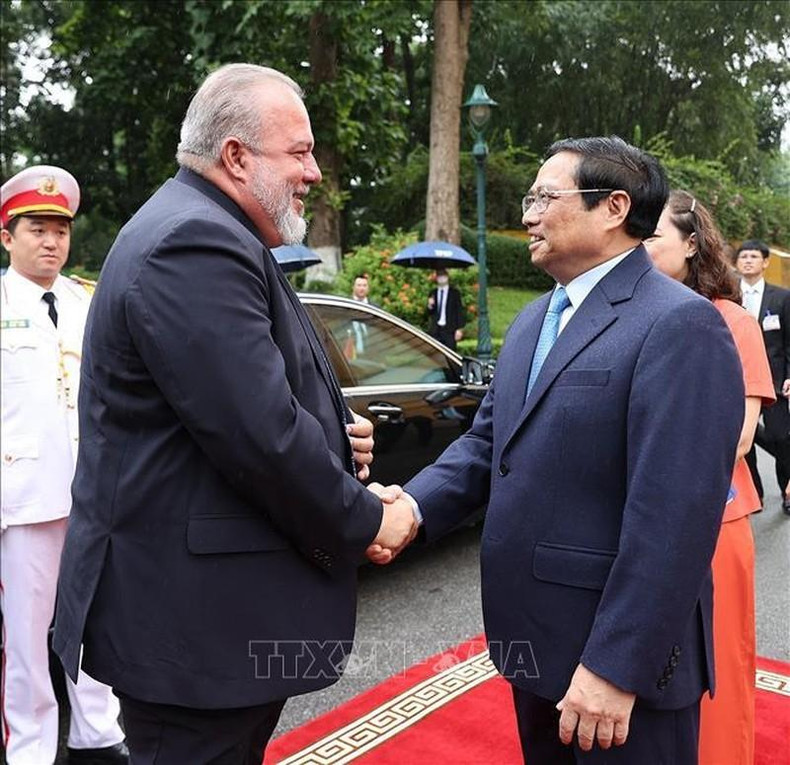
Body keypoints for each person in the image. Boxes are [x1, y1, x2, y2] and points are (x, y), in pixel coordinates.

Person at [52, 64, 417, 763]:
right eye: (299, 152)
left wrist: (339, 443)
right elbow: (263, 438)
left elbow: (227, 409)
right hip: (194, 632)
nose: (313, 172)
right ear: (236, 156)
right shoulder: (194, 243)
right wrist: (371, 517)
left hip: (202, 626)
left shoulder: (207, 229)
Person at [369, 136, 744, 763]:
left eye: (546, 196)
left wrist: (615, 667)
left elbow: (674, 519)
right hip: (536, 646)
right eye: (529, 197)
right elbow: (490, 444)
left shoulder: (679, 324)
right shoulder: (534, 319)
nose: (528, 213)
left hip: (615, 669)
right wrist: (410, 508)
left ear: (615, 207)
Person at [0, 166, 128, 764]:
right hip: (21, 502)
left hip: (91, 499)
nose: (51, 242)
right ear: (7, 236)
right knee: (24, 643)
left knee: (96, 624)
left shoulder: (86, 301)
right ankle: (29, 750)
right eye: (36, 228)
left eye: (60, 229)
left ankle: (98, 736)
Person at [645, 190, 774, 765]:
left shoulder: (733, 322)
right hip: (638, 518)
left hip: (713, 517)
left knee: (719, 656)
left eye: (653, 237)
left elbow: (739, 437)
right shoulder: (636, 316)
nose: (639, 248)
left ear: (692, 244)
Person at [734, 239, 790, 514]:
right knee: (746, 441)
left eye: (754, 256)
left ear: (765, 262)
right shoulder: (728, 295)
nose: (747, 260)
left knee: (780, 437)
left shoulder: (781, 297)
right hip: (739, 382)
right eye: (743, 256)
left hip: (776, 382)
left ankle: (787, 489)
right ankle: (754, 494)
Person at [427, 268, 466, 350]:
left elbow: (459, 311)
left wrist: (459, 329)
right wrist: (430, 306)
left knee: (450, 355)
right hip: (436, 330)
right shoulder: (433, 293)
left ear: (447, 277)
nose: (441, 278)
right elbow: (429, 313)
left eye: (443, 275)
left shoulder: (454, 293)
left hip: (450, 330)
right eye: (439, 275)